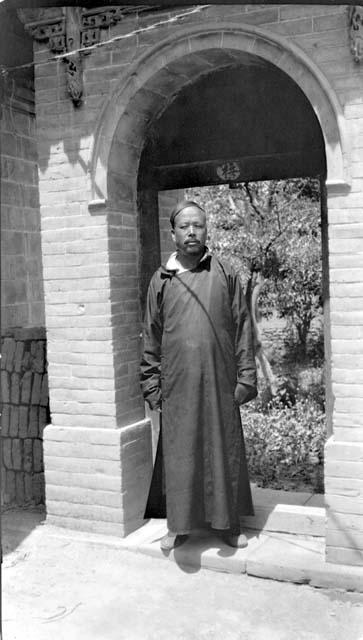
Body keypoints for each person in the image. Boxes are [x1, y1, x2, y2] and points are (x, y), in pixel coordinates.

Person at [140, 199, 257, 551]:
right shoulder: (161, 281)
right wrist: (152, 384)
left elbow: (242, 327)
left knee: (223, 451)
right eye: (184, 226)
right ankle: (179, 526)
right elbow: (151, 336)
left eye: (199, 225)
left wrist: (246, 378)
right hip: (177, 385)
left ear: (207, 230)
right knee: (181, 454)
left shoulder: (225, 273)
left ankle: (227, 524)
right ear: (173, 233)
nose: (192, 232)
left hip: (220, 382)